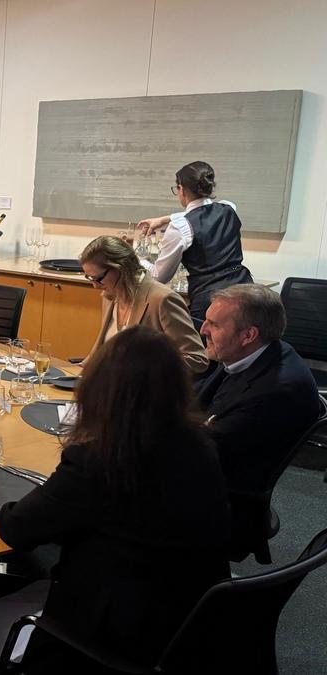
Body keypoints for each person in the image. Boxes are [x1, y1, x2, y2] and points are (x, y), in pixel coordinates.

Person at [0, 326, 231, 672]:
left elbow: (16, 529)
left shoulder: (101, 460)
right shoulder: (200, 443)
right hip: (190, 616)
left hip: (118, 630)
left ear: (100, 389)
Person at [196, 284, 320, 558]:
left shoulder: (274, 392)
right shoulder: (255, 354)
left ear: (248, 335)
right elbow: (200, 399)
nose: (203, 329)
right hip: (212, 470)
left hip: (222, 501)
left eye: (213, 324)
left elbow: (200, 454)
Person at [136, 161, 253, 325]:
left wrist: (138, 260)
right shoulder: (229, 208)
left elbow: (159, 276)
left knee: (202, 348)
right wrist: (163, 219)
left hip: (210, 300)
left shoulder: (179, 227)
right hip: (246, 290)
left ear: (181, 190)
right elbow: (202, 211)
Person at [80, 236, 208, 374]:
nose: (95, 285)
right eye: (90, 278)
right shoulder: (109, 296)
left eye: (98, 278)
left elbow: (196, 360)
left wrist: (142, 370)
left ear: (120, 269)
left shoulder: (162, 299)